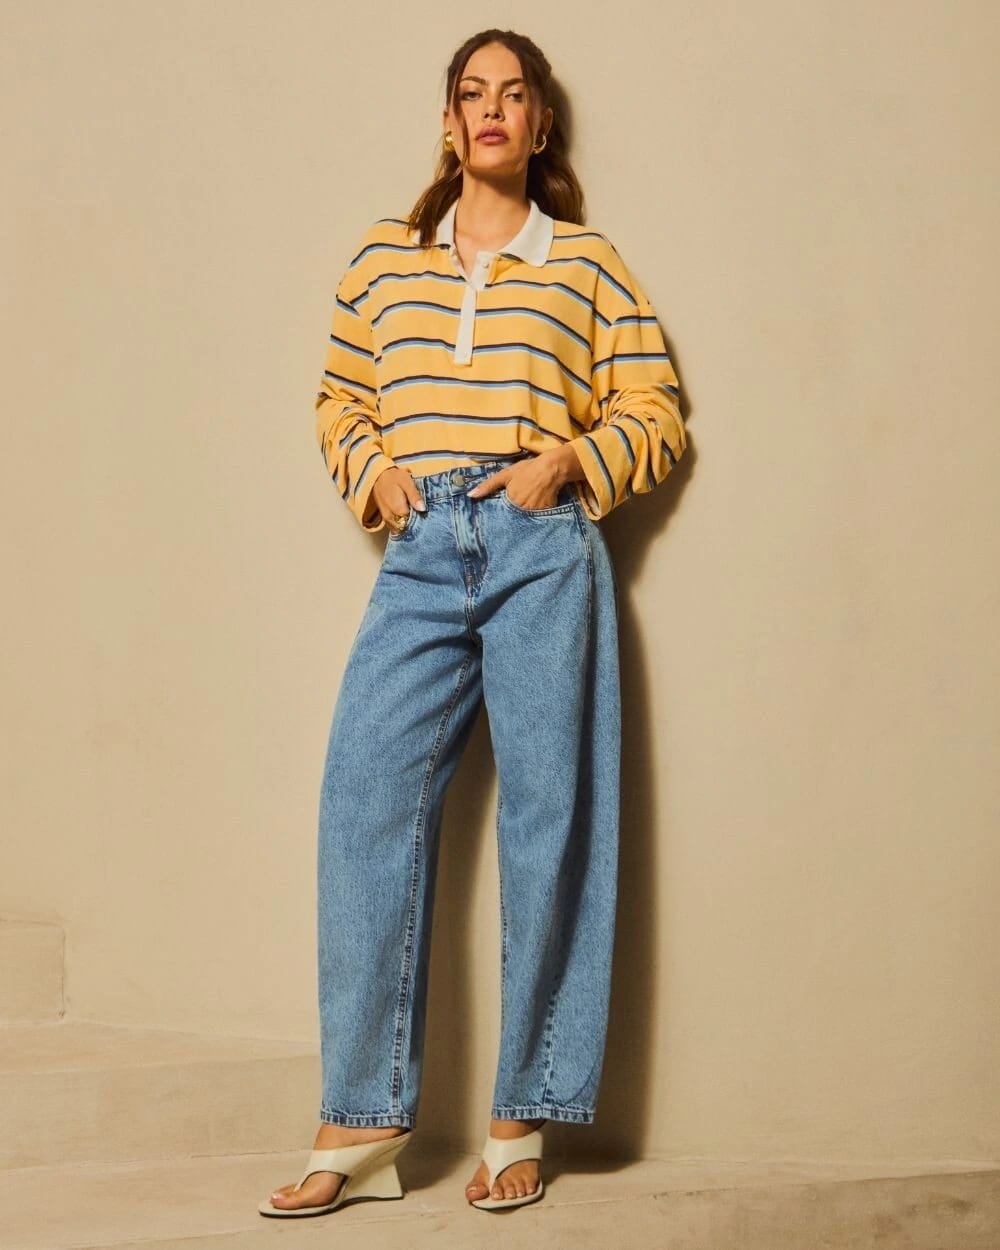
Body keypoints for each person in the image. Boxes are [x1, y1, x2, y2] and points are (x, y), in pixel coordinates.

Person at [258, 27, 685, 1220]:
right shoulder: (384, 261)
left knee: (550, 819)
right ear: (448, 123)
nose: (492, 109)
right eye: (471, 93)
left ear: (540, 125)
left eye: (514, 95)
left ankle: (521, 1112)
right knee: (364, 801)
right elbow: (340, 396)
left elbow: (656, 408)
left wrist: (568, 463)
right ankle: (363, 1120)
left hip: (539, 541)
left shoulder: (584, 261)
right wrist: (375, 474)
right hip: (420, 548)